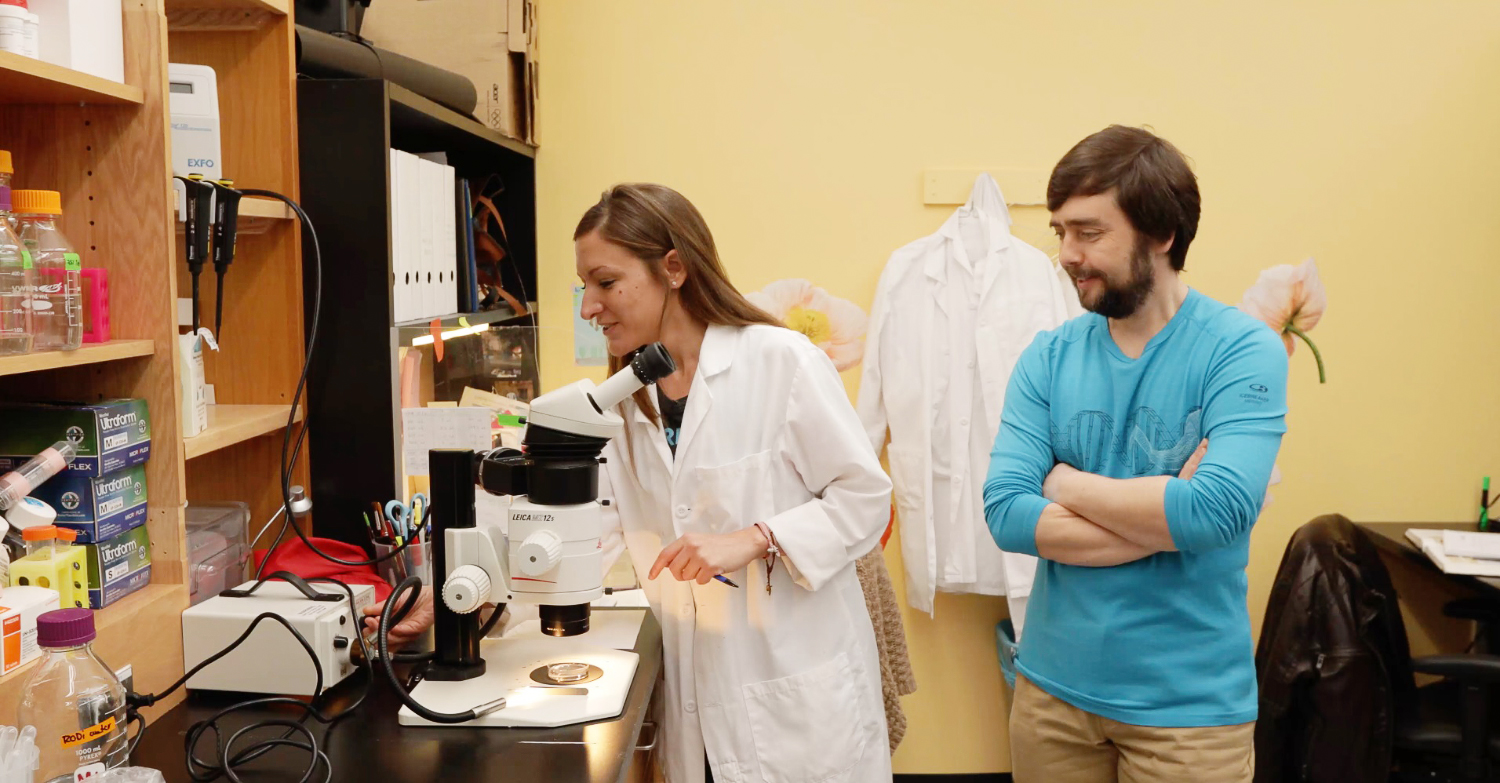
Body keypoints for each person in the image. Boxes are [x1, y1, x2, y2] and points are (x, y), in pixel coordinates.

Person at [366, 183, 894, 783]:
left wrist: (757, 536)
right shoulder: (623, 399)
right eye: (583, 287)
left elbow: (866, 499)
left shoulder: (782, 362)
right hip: (697, 694)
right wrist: (447, 591)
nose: (589, 307)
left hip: (792, 694)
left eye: (606, 283)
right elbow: (589, 522)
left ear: (673, 268)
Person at [983, 125, 1288, 782]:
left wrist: (1064, 483)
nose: (1066, 252)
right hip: (1051, 697)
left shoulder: (1241, 350)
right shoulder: (1048, 356)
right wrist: (1163, 516)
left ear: (1161, 233)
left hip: (1189, 713)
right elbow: (1006, 512)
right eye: (1060, 231)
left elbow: (1216, 512)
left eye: (1089, 232)